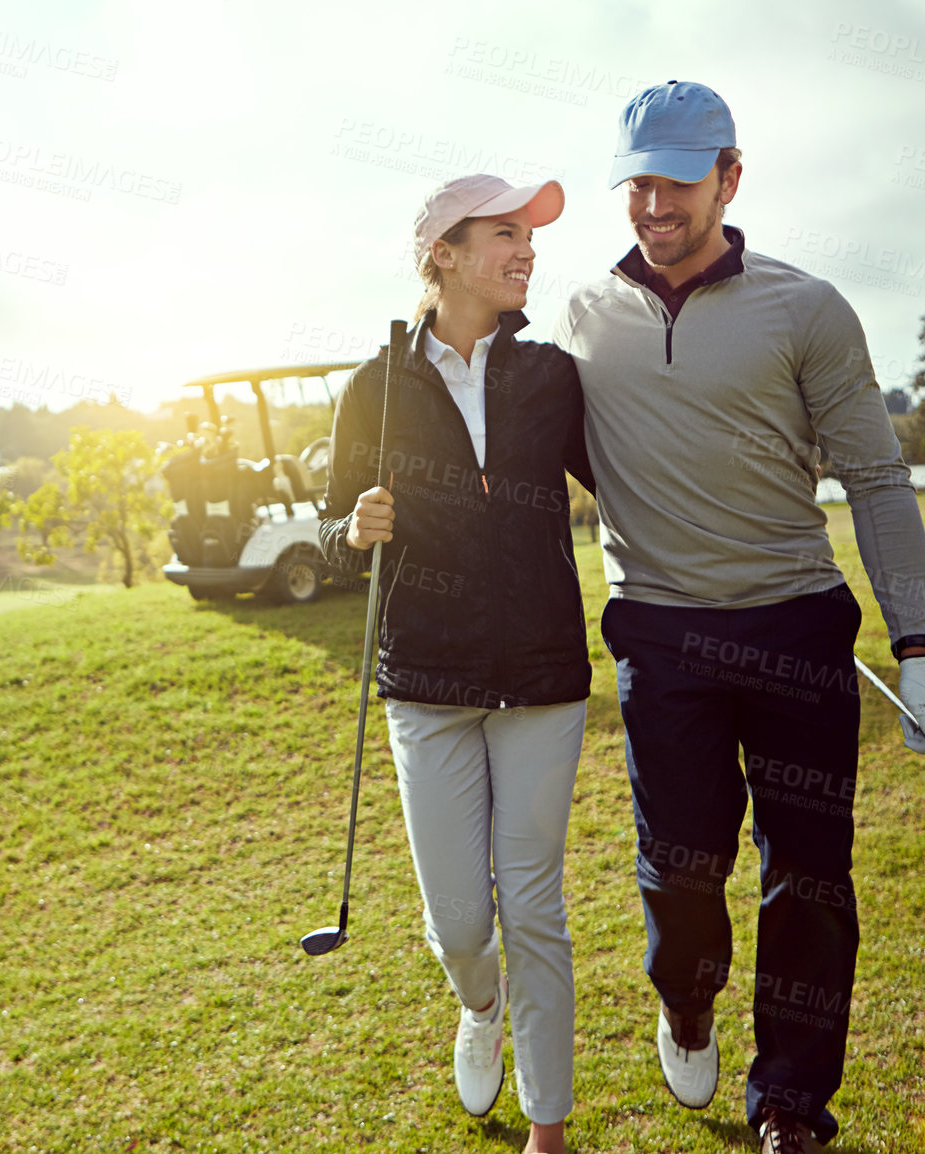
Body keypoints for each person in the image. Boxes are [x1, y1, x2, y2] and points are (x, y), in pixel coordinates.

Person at [552, 82, 925, 1154]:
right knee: (681, 872)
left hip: (796, 628)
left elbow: (876, 478)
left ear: (730, 177)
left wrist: (916, 646)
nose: (654, 204)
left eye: (677, 181)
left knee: (809, 876)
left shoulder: (808, 307)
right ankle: (686, 1000)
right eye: (637, 182)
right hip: (662, 637)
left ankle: (792, 1101)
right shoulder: (583, 315)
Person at [319, 174, 596, 1154]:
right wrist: (353, 523)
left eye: (531, 237)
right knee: (459, 925)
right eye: (505, 235)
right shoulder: (375, 385)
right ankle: (479, 1006)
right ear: (442, 253)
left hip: (543, 679)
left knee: (533, 906)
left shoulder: (554, 375)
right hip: (426, 682)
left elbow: (631, 481)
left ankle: (547, 1128)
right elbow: (333, 509)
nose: (527, 251)